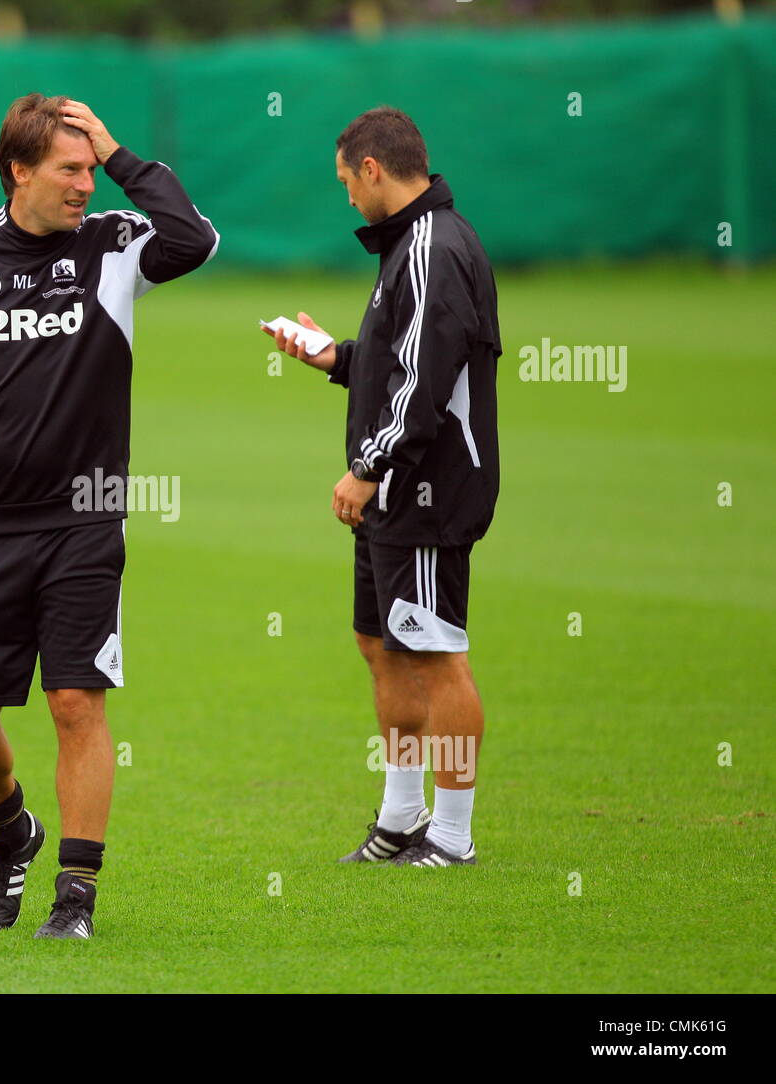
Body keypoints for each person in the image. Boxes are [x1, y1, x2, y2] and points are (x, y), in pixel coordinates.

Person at [0, 93, 218, 935]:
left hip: (85, 519)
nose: (87, 185)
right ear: (19, 171)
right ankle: (13, 832)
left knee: (75, 703)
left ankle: (76, 896)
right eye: (71, 169)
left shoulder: (115, 245)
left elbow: (195, 239)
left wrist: (121, 152)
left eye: (93, 170)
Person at [265, 106, 500, 867]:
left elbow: (426, 384)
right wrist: (333, 356)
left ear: (373, 169)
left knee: (436, 653)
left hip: (427, 489)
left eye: (346, 182)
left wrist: (366, 468)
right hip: (398, 491)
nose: (346, 199)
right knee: (382, 644)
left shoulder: (432, 245)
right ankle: (402, 818)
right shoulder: (409, 245)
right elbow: (396, 357)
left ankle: (454, 835)